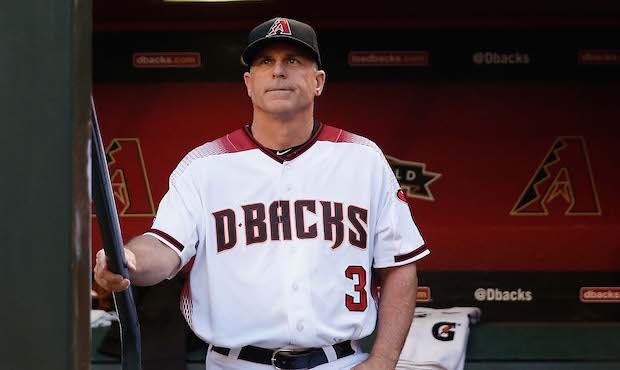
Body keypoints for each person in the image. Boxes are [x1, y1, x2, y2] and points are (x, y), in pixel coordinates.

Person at [94, 17, 430, 370]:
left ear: (318, 82)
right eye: (265, 62)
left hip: (339, 361)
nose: (279, 71)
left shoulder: (363, 158)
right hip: (236, 363)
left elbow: (400, 266)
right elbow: (163, 247)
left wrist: (383, 360)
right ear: (248, 83)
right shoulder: (205, 165)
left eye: (293, 60)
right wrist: (127, 258)